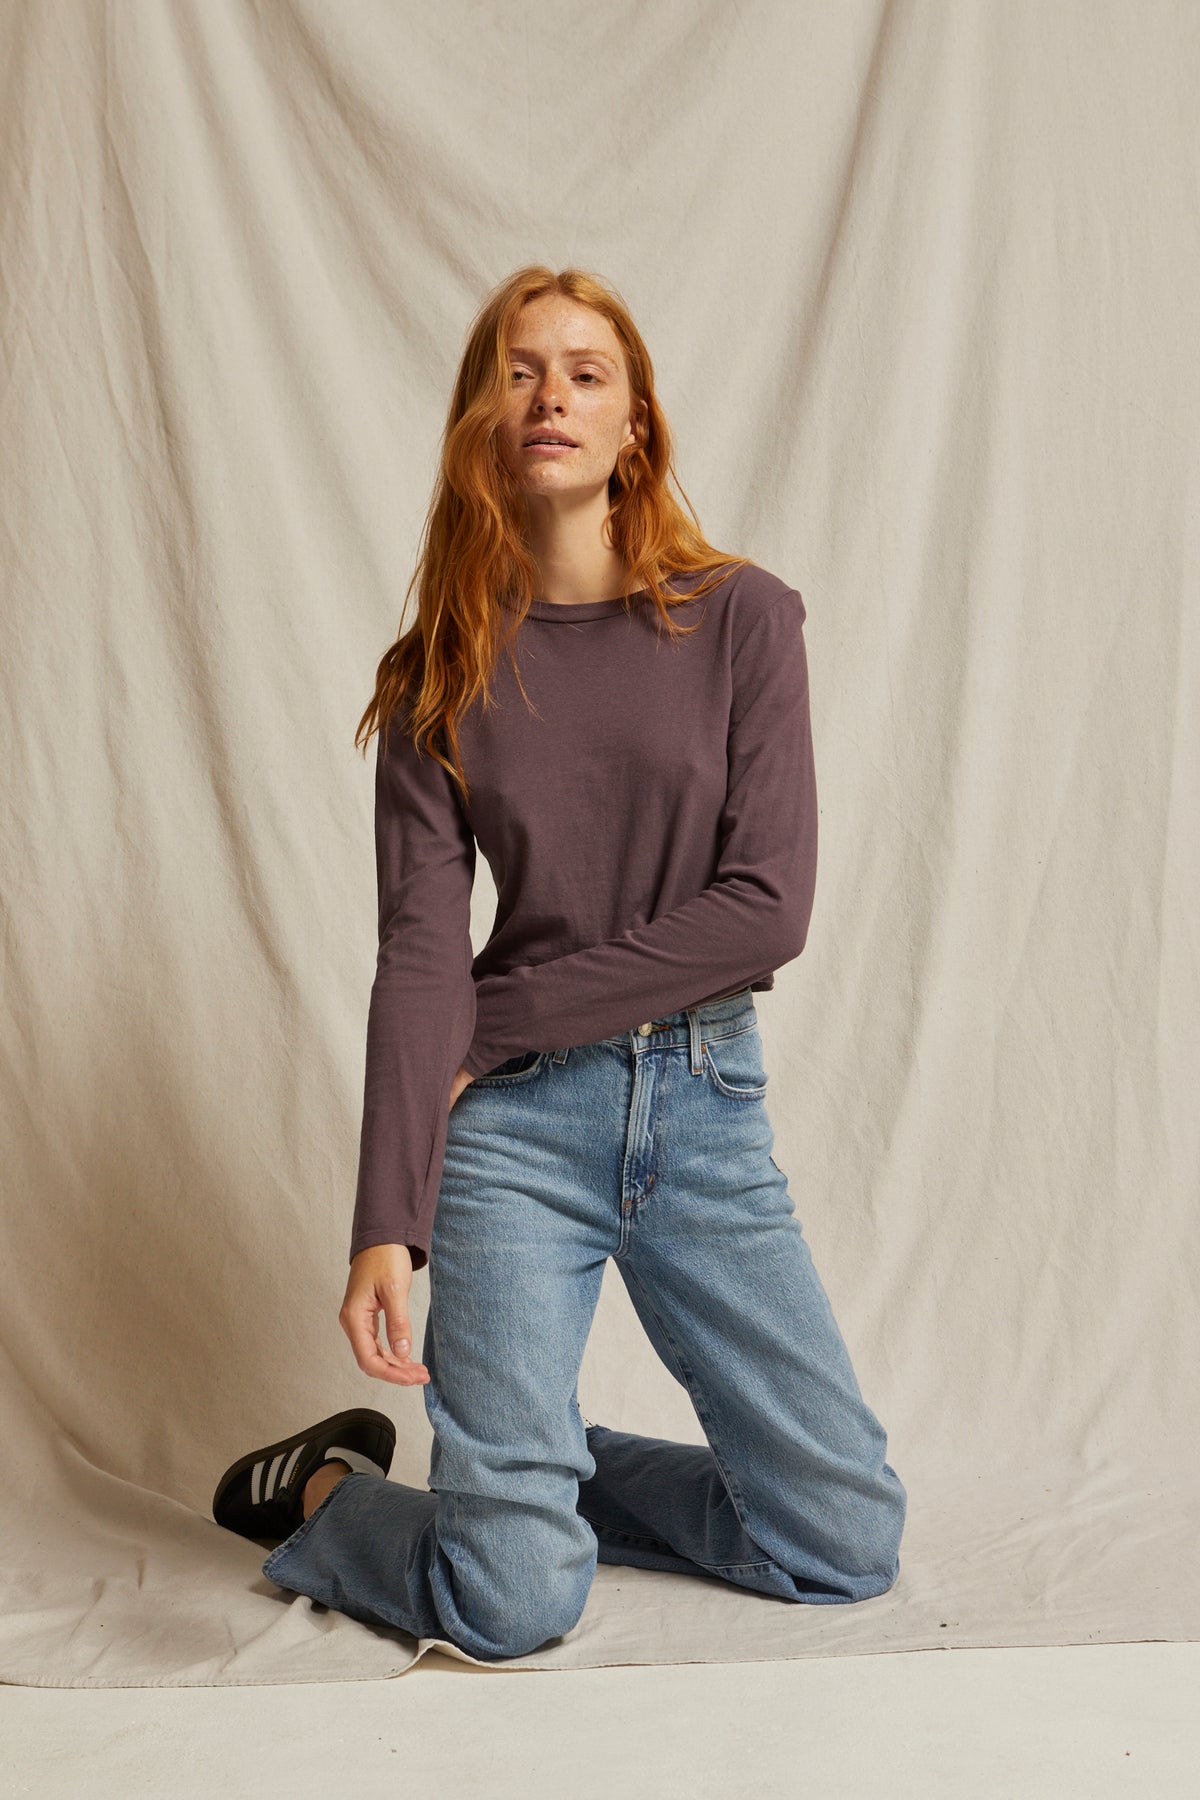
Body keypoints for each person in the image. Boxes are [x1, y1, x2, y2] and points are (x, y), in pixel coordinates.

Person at [211, 265, 907, 1660]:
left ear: (634, 425)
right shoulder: (436, 672)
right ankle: (337, 1493)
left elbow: (764, 910)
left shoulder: (743, 620)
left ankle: (519, 1482)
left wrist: (501, 1014)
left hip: (704, 1108)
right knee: (513, 1603)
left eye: (587, 374)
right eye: (520, 371)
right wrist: (386, 1216)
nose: (552, 397)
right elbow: (421, 954)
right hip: (514, 1140)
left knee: (843, 1540)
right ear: (482, 419)